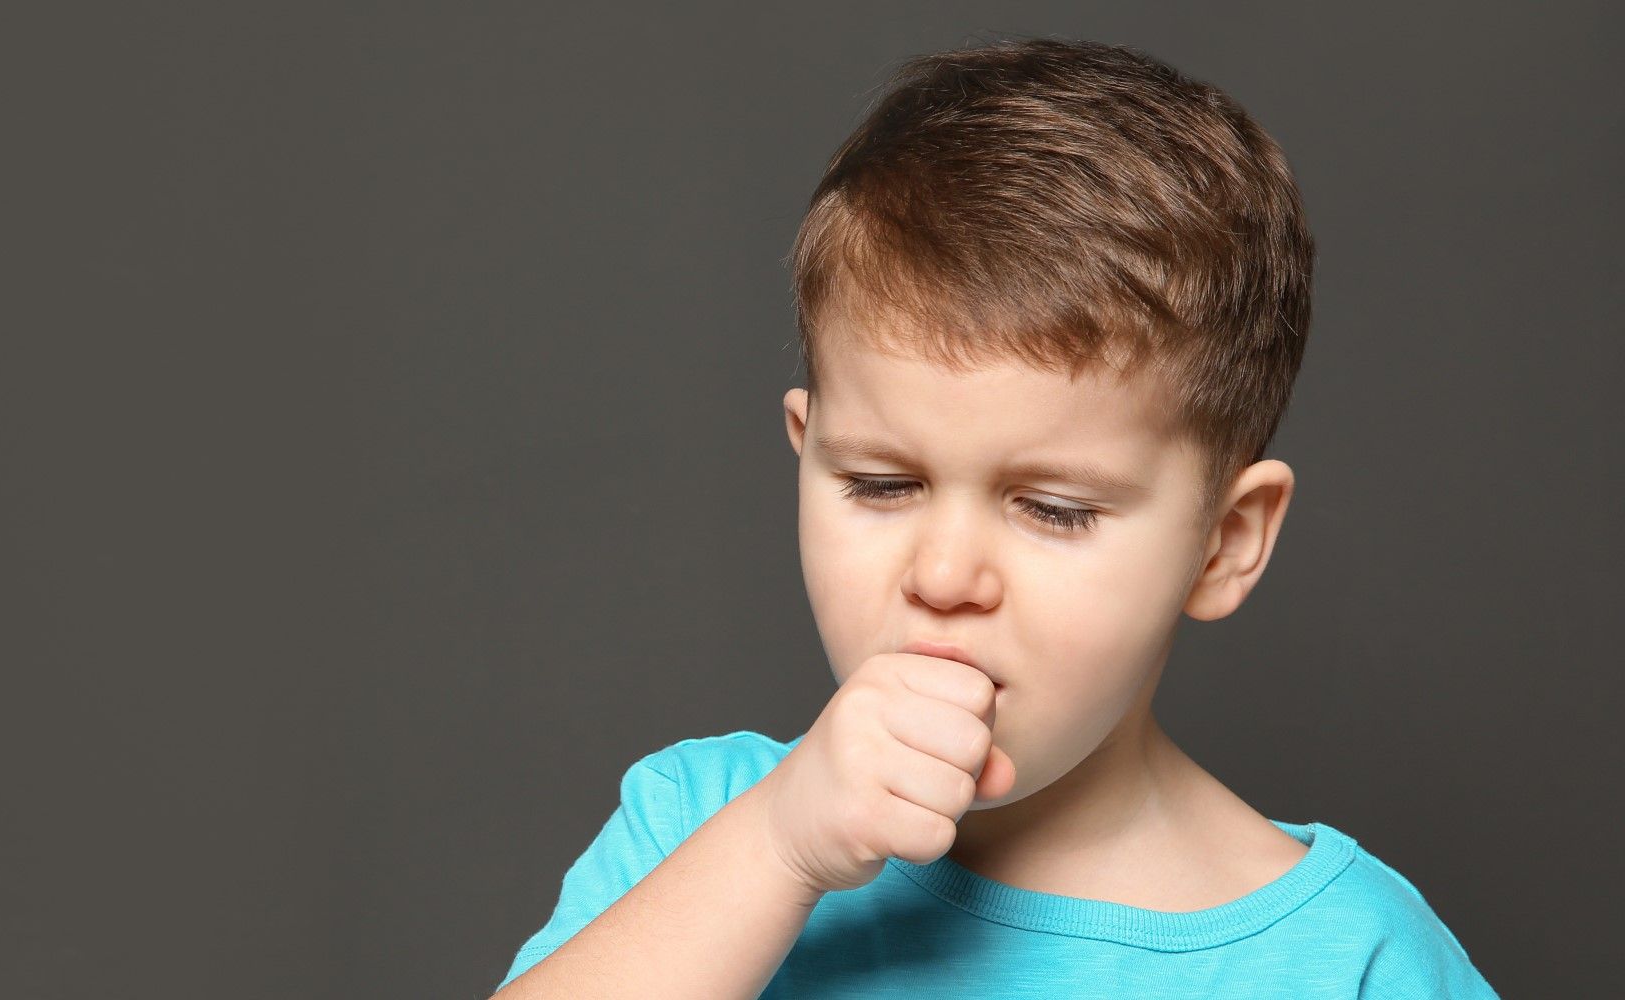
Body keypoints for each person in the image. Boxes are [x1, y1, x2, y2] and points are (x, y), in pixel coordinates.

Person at [491, 36, 1501, 999]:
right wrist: (776, 849)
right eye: (881, 485)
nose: (941, 574)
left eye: (1052, 510)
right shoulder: (703, 825)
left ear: (1223, 541)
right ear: (805, 452)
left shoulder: (1348, 959)